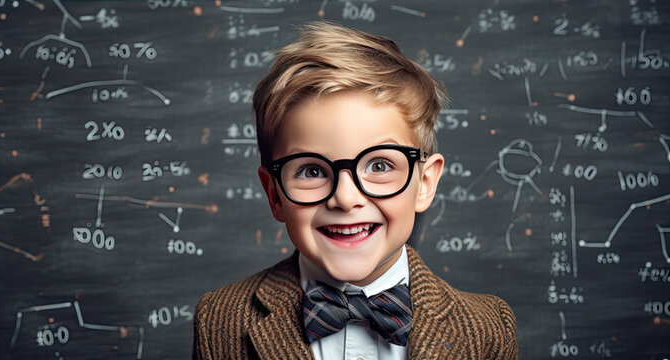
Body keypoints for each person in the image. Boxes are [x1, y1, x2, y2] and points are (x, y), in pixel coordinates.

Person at [193, 22, 517, 359]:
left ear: (424, 184)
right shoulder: (222, 319)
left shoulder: (487, 327)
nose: (346, 199)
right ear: (275, 194)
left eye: (379, 166)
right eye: (312, 171)